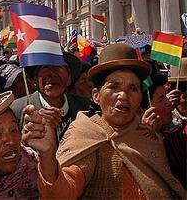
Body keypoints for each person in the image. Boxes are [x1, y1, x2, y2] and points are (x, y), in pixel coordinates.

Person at [23, 43, 186, 199]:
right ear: (95, 95)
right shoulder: (85, 135)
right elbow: (64, 191)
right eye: (114, 86)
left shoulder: (148, 136)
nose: (123, 95)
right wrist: (48, 158)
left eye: (133, 88)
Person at [11, 52, 91, 143]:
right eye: (45, 67)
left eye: (58, 66)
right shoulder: (17, 111)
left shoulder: (86, 107)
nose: (52, 74)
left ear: (69, 79)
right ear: (35, 81)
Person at [141, 72, 186, 189]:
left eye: (166, 95)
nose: (168, 102)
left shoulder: (173, 133)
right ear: (143, 110)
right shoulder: (136, 143)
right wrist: (150, 138)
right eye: (161, 99)